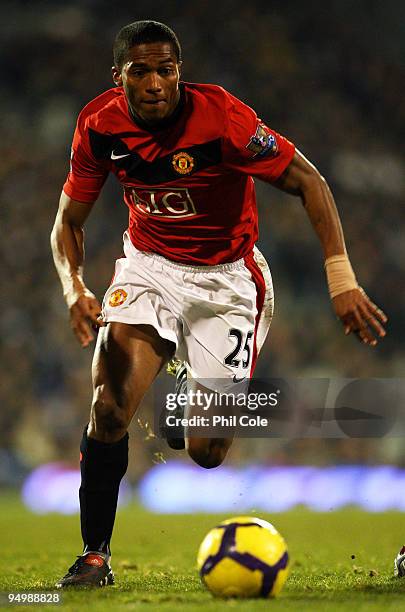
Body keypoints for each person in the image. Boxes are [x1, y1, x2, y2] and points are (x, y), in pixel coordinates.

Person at [51, 20, 387, 587]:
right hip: (149, 268)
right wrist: (75, 288)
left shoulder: (222, 118)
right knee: (108, 408)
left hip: (228, 282)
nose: (155, 83)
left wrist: (341, 277)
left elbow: (309, 181)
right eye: (141, 71)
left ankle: (185, 396)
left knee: (207, 452)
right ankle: (94, 555)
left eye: (166, 70)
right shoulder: (98, 124)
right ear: (119, 77)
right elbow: (68, 222)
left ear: (180, 72)